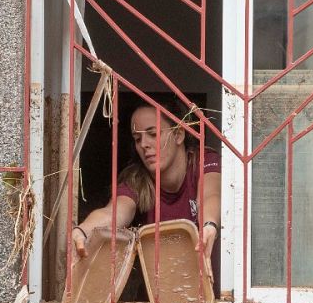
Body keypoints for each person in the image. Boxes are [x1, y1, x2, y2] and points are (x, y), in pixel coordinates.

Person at [70, 102, 221, 282]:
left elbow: (211, 194)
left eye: (153, 134)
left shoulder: (204, 161)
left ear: (178, 134)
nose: (144, 145)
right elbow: (114, 212)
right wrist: (82, 231)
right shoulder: (136, 180)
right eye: (137, 138)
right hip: (156, 298)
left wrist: (209, 225)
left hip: (210, 295)